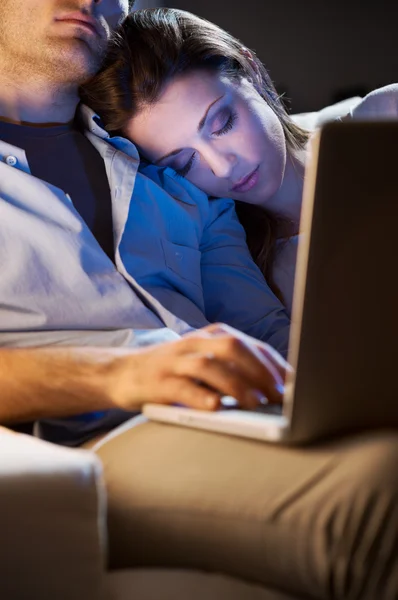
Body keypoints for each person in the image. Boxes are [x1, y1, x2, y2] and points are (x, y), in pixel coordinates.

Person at [0, 3, 397, 598]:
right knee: (382, 487)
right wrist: (122, 372)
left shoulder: (154, 163)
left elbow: (268, 331)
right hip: (98, 435)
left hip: (229, 408)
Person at [81, 7, 398, 313]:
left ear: (251, 71)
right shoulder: (235, 275)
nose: (223, 167)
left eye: (222, 124)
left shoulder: (384, 118)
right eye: (184, 164)